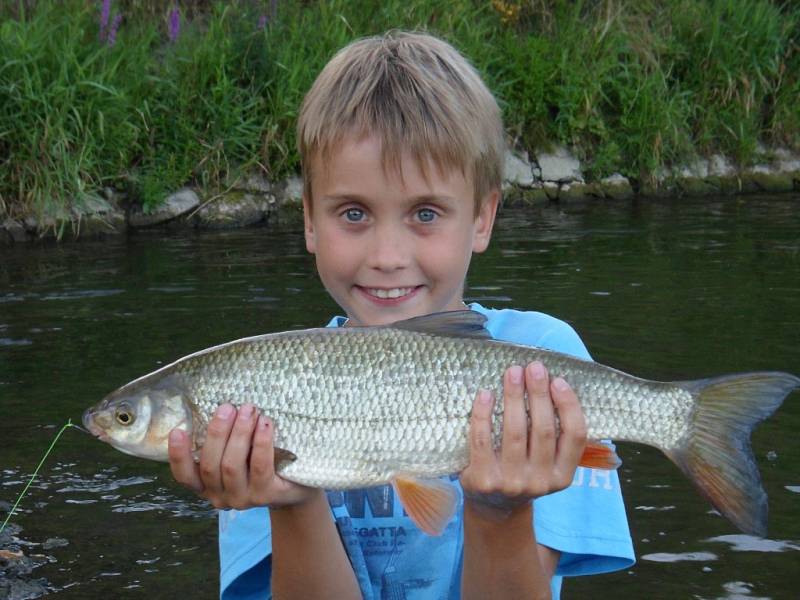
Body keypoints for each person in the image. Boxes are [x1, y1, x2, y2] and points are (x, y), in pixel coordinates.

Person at [168, 31, 634, 599]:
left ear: (483, 217)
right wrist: (290, 501)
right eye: (355, 213)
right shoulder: (259, 399)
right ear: (310, 221)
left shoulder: (543, 359)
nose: (388, 258)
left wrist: (501, 513)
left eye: (426, 213)